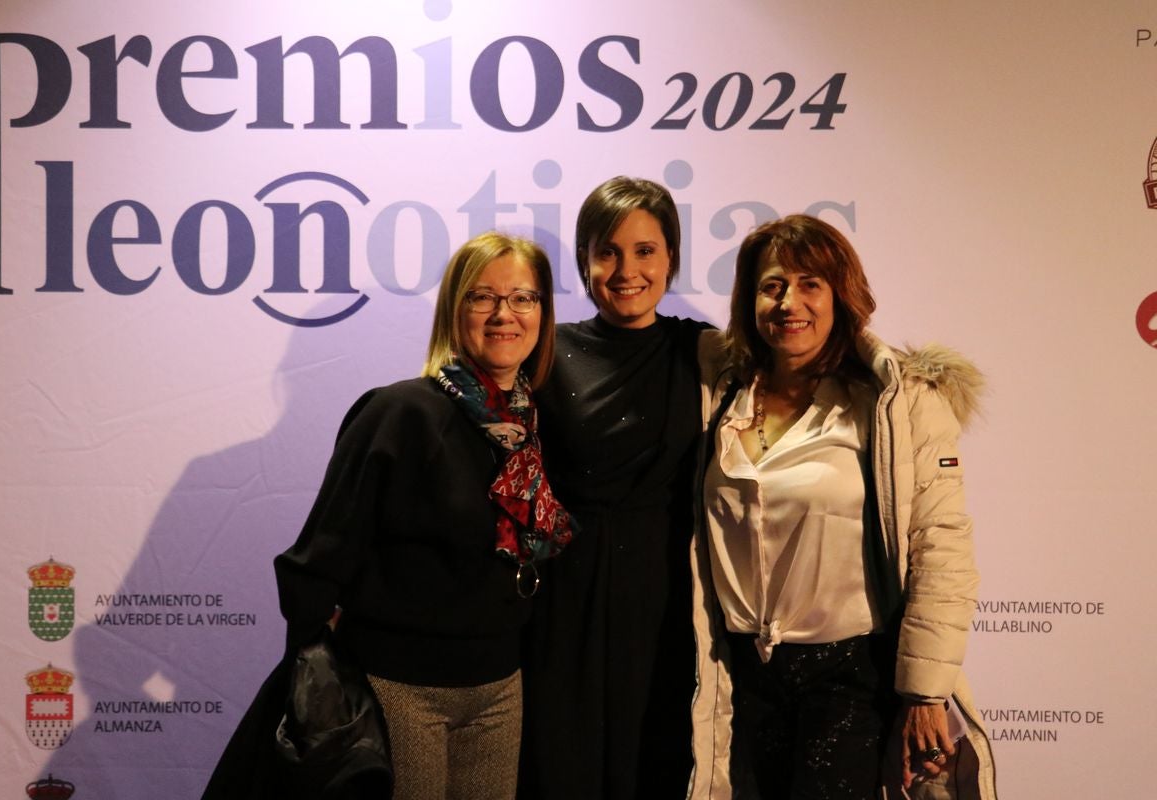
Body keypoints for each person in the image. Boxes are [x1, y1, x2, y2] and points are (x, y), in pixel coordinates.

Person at [203, 231, 575, 800]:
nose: (505, 314)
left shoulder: (533, 428)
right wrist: (318, 686)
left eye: (523, 298)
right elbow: (316, 562)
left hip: (500, 687)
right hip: (400, 688)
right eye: (483, 297)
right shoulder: (400, 412)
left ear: (543, 315)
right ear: (455, 311)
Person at [688, 215, 997, 799]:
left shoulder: (896, 404)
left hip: (850, 678)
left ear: (841, 296)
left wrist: (925, 692)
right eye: (772, 285)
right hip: (738, 678)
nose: (788, 302)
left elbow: (941, 546)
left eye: (810, 285)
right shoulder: (722, 394)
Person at [519, 177, 709, 799]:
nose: (627, 270)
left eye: (645, 251)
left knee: (653, 765)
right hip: (560, 602)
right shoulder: (545, 349)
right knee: (559, 765)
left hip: (666, 606)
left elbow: (808, 348)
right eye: (608, 252)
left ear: (671, 258)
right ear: (584, 261)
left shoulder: (703, 352)